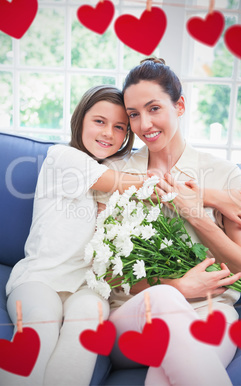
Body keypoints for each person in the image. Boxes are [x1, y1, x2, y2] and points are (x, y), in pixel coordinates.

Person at [98, 58, 241, 385]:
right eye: (133, 114)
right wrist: (179, 286)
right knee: (166, 300)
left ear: (180, 106)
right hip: (136, 316)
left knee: (174, 370)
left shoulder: (224, 175)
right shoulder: (116, 173)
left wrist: (195, 214)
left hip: (212, 311)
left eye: (154, 108)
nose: (144, 124)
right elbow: (109, 273)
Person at [2, 85, 146, 386]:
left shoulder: (117, 168)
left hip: (88, 286)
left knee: (87, 325)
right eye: (99, 121)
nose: (108, 133)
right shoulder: (63, 158)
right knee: (40, 322)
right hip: (40, 278)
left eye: (120, 127)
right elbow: (119, 182)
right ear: (80, 120)